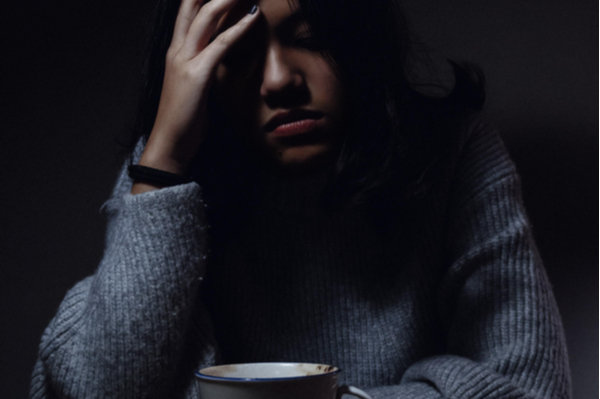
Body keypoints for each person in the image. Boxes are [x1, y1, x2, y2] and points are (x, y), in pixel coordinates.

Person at [30, 0, 572, 398]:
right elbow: (101, 390)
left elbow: (531, 389)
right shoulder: (170, 169)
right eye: (237, 54)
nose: (278, 79)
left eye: (311, 37)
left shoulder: (454, 153)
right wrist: (164, 162)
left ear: (360, 39)